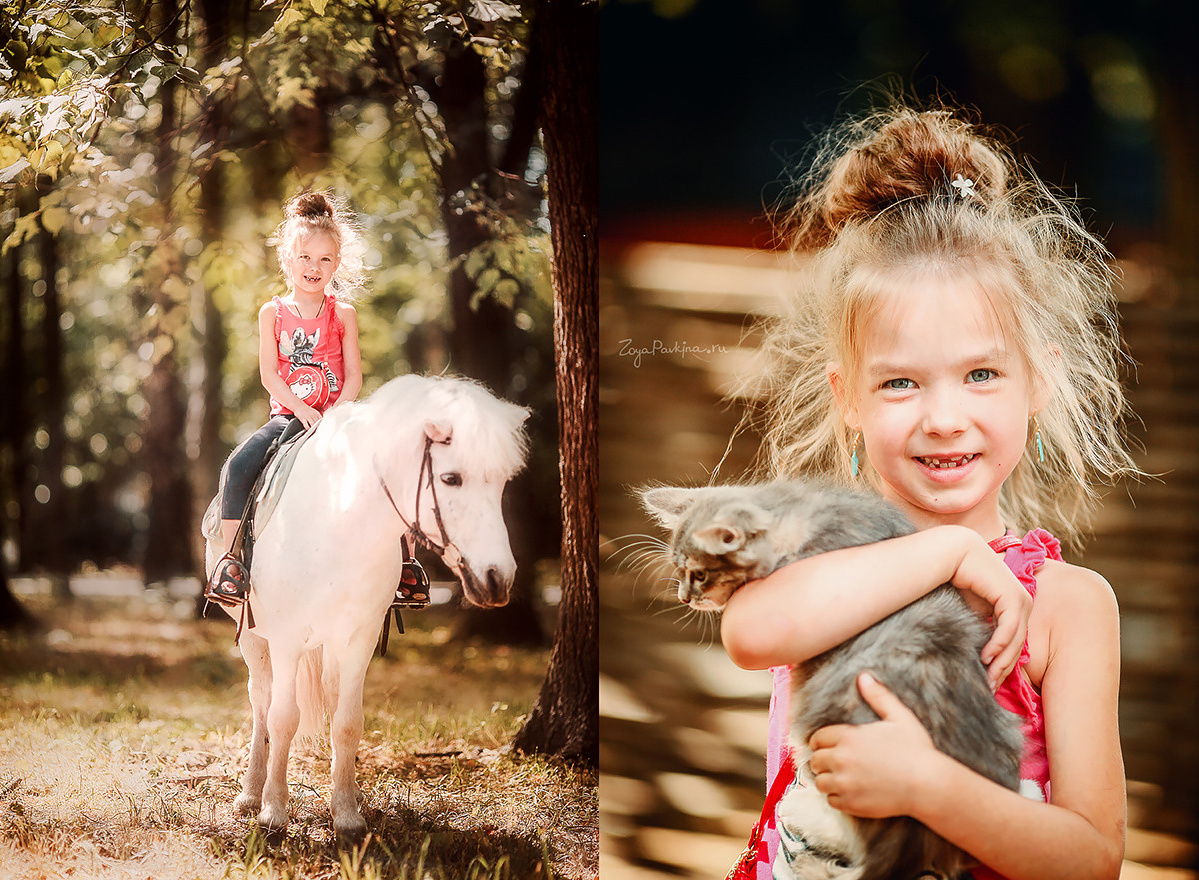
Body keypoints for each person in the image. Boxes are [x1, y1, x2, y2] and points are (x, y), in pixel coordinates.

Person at [719, 105, 1141, 880]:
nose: (943, 419)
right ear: (848, 397)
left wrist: (927, 786)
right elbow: (750, 633)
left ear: (1038, 380)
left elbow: (1093, 859)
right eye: (899, 383)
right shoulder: (820, 564)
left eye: (980, 373)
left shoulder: (1067, 606)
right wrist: (947, 552)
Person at [206, 190, 365, 604]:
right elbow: (270, 376)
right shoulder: (272, 313)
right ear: (287, 259)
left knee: (387, 462)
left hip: (336, 418)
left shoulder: (343, 314)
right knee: (238, 466)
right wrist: (302, 409)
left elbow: (354, 377)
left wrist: (335, 414)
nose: (314, 267)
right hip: (289, 417)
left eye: (324, 259)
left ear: (336, 263)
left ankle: (404, 565)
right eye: (305, 257)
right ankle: (230, 561)